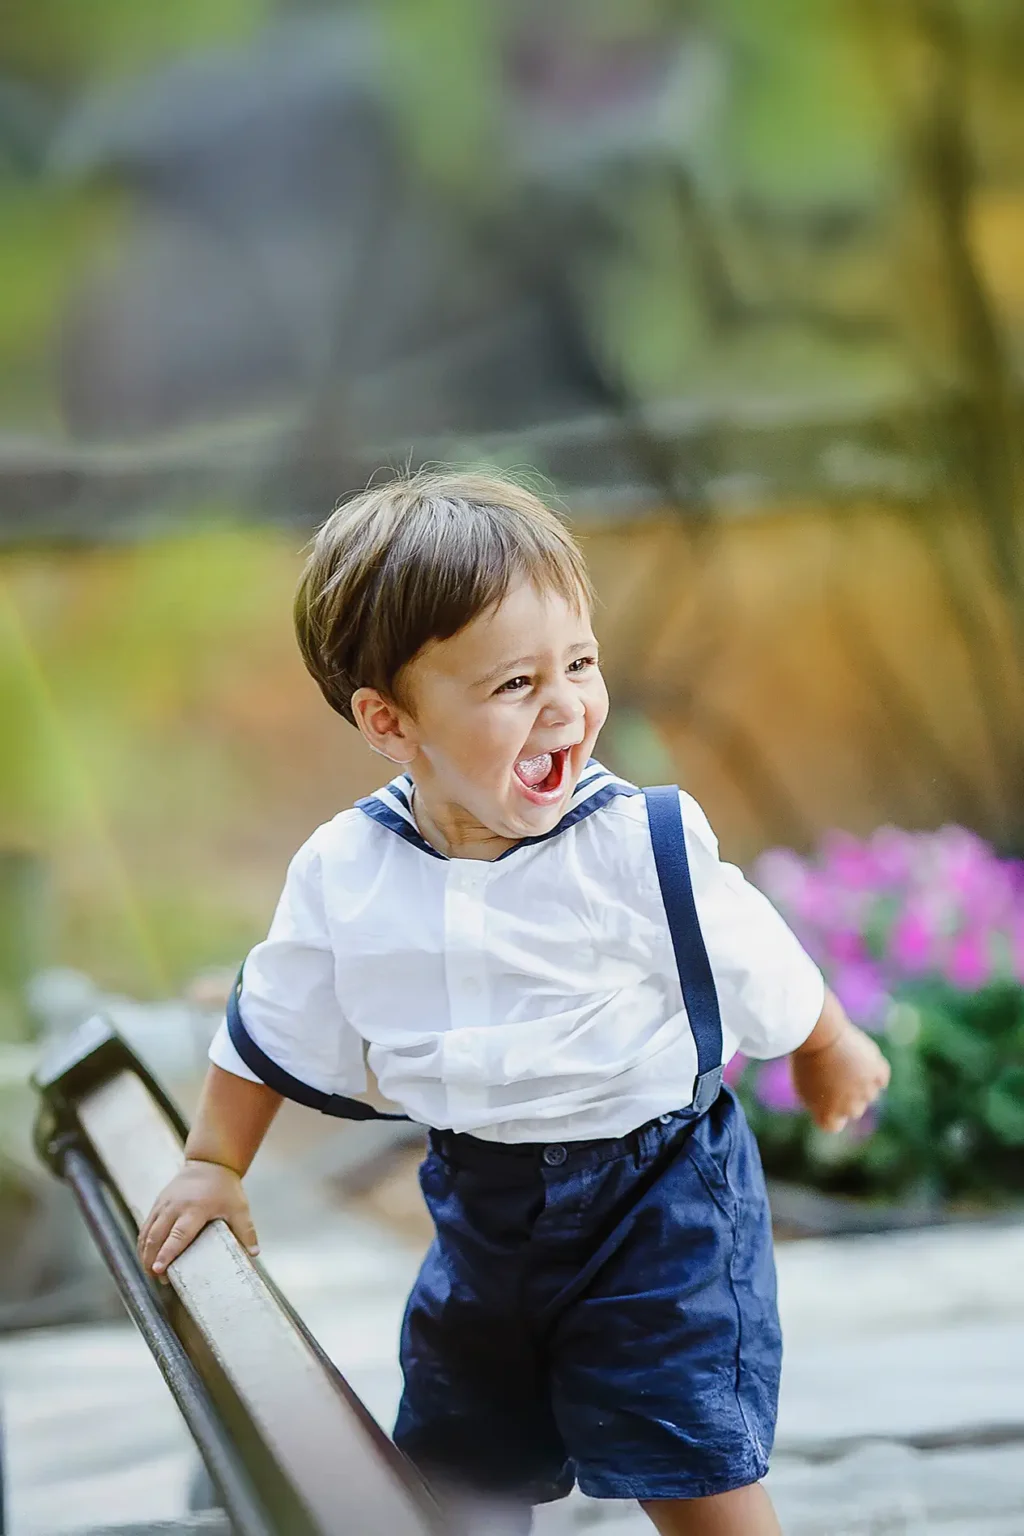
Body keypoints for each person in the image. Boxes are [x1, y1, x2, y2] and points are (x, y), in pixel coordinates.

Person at [138, 469, 889, 1535]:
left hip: (657, 1196)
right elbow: (275, 1017)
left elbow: (747, 949)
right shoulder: (349, 869)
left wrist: (825, 1040)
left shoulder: (629, 846)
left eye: (578, 664)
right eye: (513, 685)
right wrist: (215, 1161)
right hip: (481, 1207)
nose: (568, 705)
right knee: (464, 1460)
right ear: (389, 721)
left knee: (686, 1454)